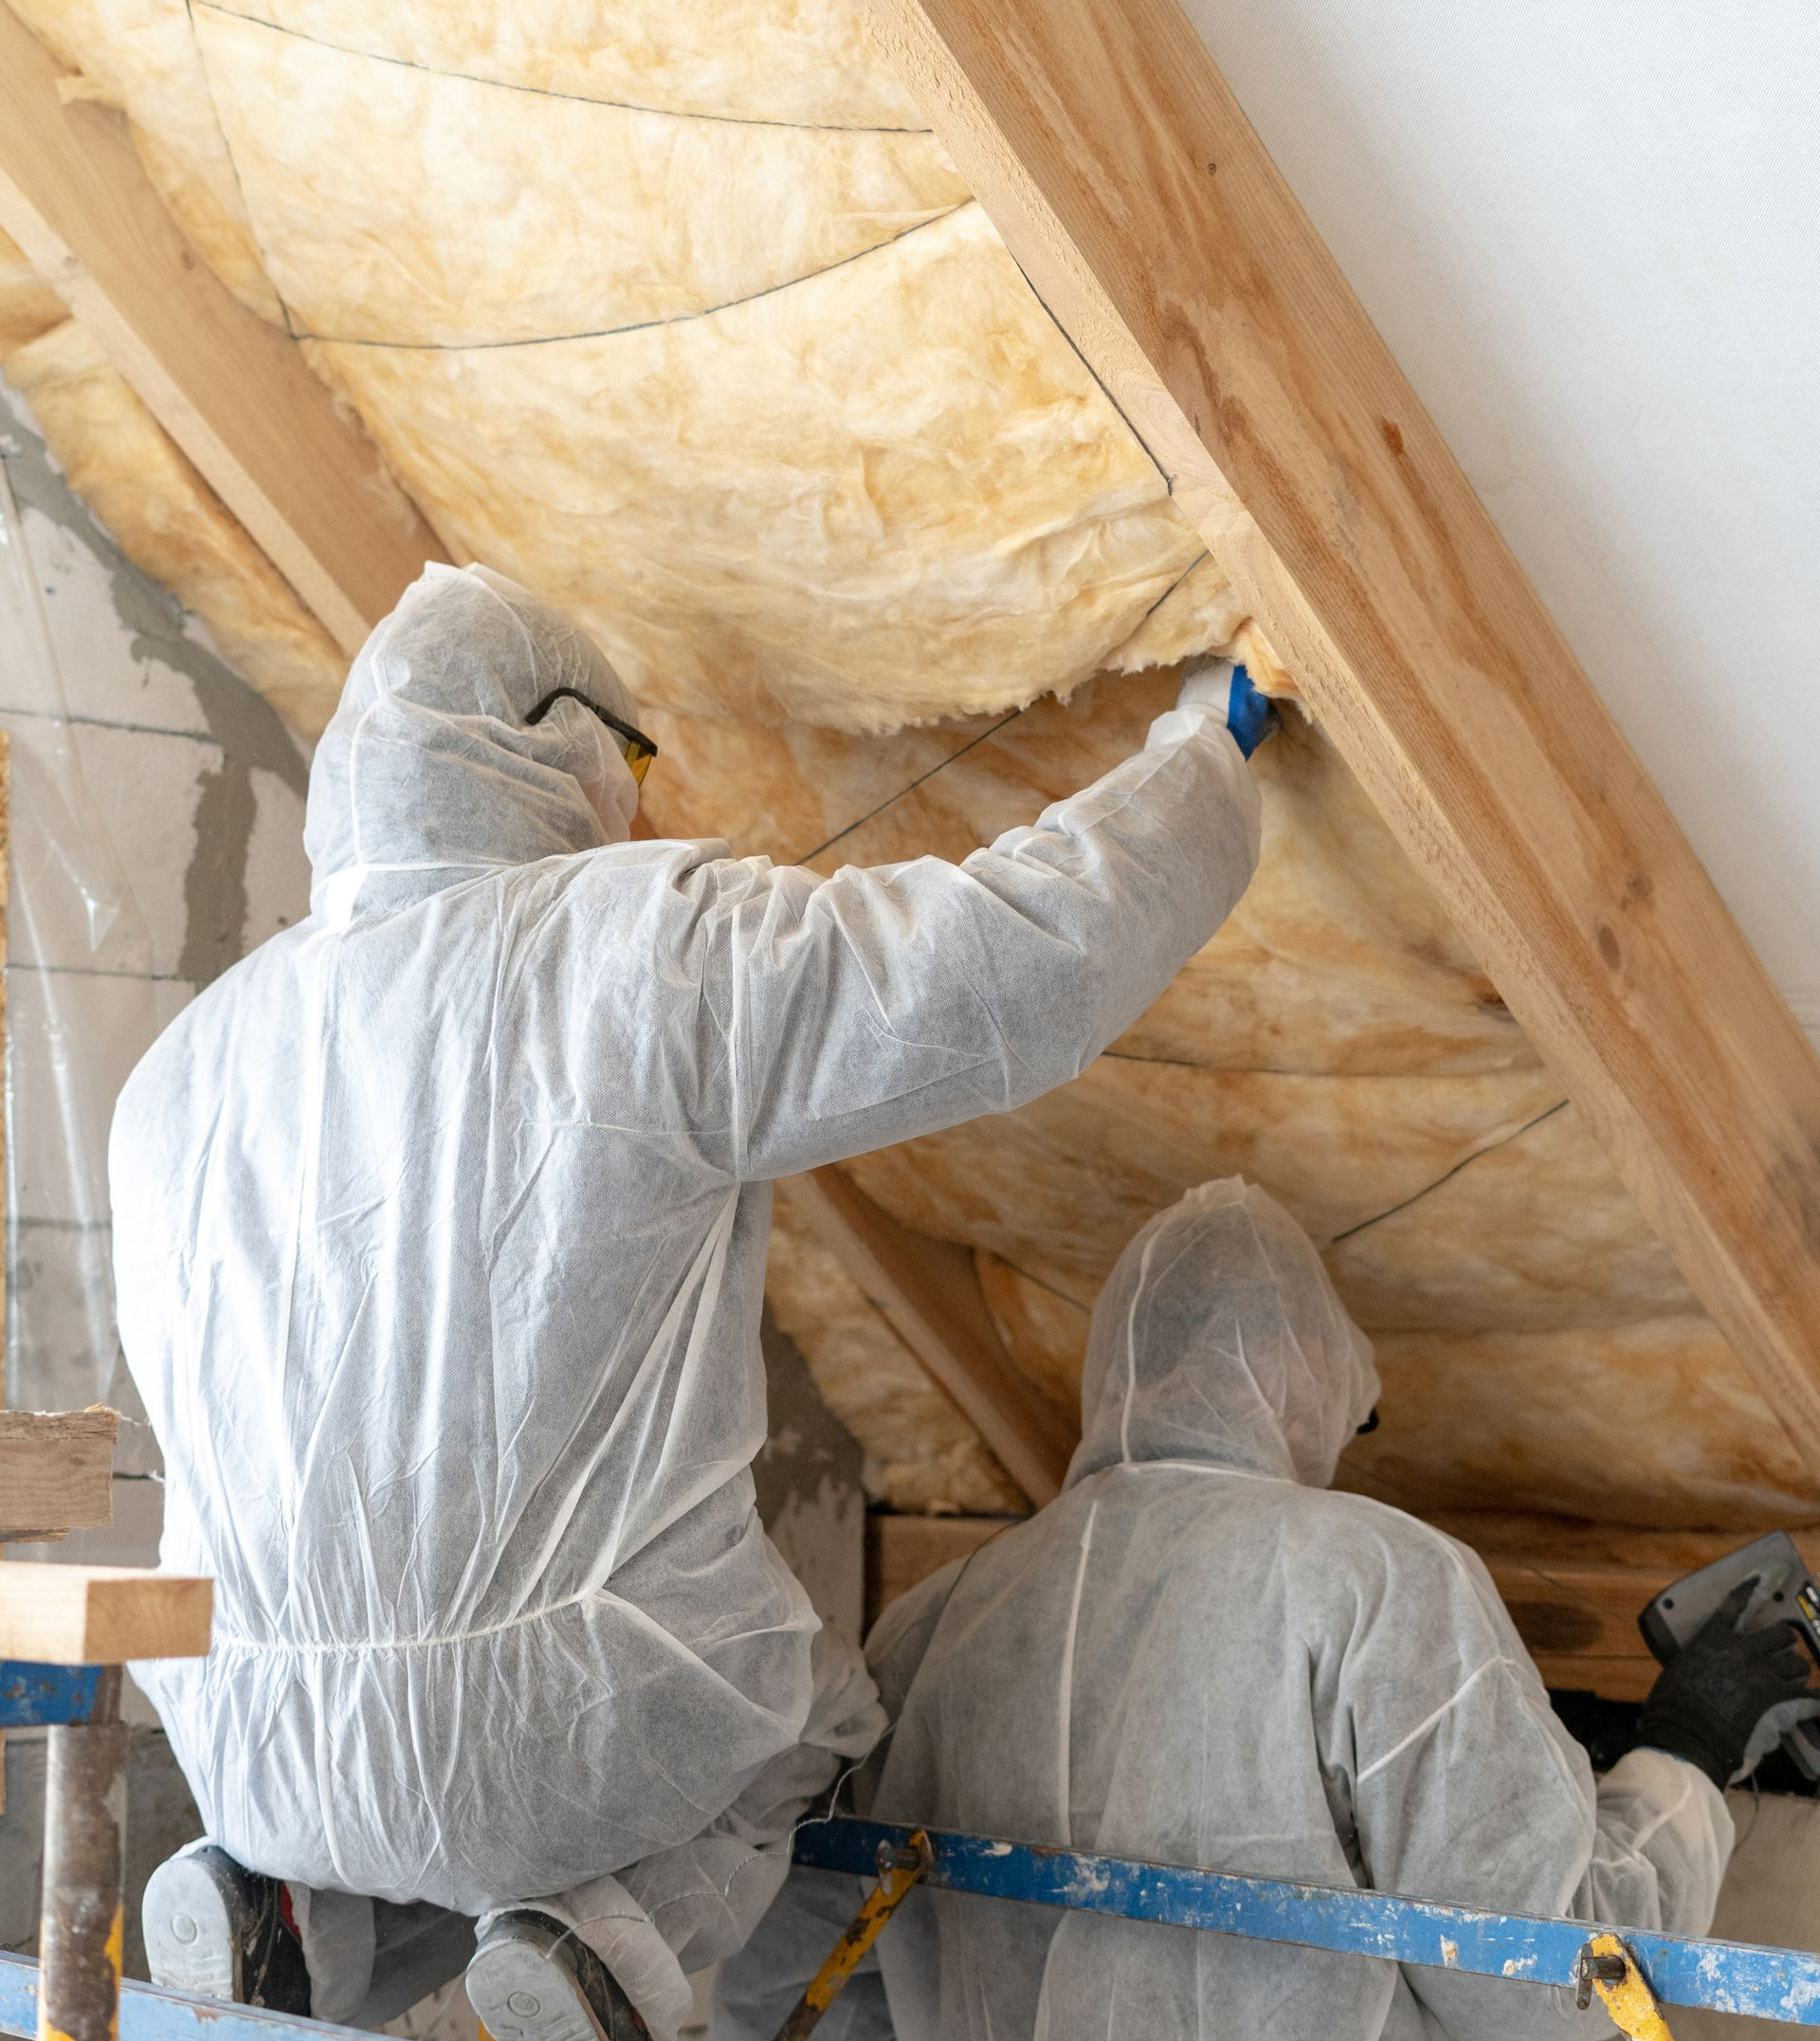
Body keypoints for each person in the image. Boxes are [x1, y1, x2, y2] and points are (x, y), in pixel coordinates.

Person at [110, 564, 1273, 2041]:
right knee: (814, 1728)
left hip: (249, 1738)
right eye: (632, 762)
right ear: (548, 740)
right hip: (572, 1734)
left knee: (414, 1798)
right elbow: (1000, 970)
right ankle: (597, 1949)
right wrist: (1204, 767)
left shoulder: (178, 1072)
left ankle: (289, 1921)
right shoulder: (637, 950)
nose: (638, 805)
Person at [715, 1178, 1818, 2041]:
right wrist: (1684, 1748)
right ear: (1302, 1366)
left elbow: (783, 1972)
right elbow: (1544, 1982)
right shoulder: (1374, 1574)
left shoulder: (933, 1616)